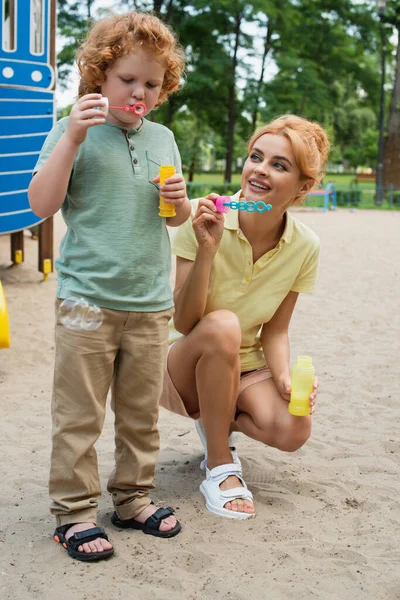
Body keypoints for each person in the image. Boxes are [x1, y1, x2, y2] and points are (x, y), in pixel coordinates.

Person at [28, 12, 190, 561]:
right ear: (99, 74)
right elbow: (41, 205)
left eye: (151, 83)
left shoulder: (164, 138)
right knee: (78, 413)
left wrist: (182, 202)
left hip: (149, 303)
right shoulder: (74, 129)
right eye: (128, 79)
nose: (140, 92)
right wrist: (73, 134)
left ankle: (133, 498)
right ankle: (74, 512)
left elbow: (173, 219)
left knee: (140, 412)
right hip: (87, 302)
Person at [161, 114, 329, 519]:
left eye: (279, 165)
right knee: (223, 325)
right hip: (180, 360)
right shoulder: (205, 218)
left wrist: (285, 378)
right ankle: (219, 466)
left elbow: (275, 330)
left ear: (304, 187)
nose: (259, 170)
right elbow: (184, 322)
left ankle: (216, 422)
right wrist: (207, 248)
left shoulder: (305, 246)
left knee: (293, 429)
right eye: (257, 156)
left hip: (244, 362)